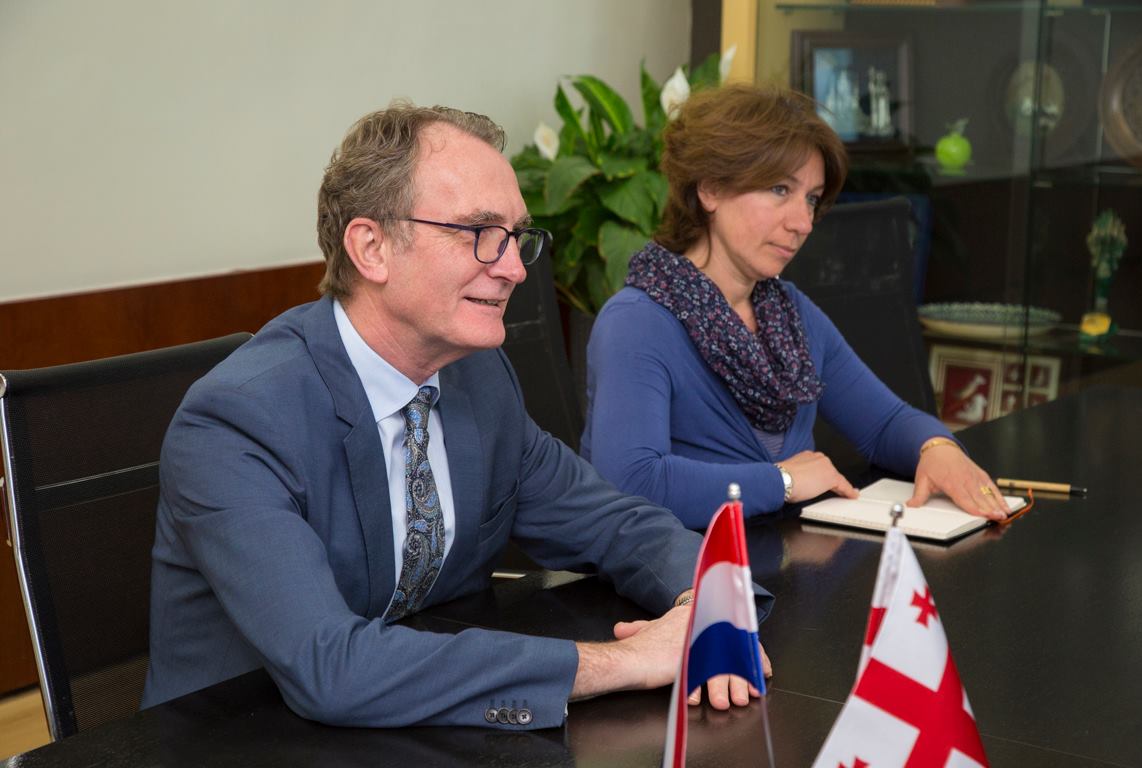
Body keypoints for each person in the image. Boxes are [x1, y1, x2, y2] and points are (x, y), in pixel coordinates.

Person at [141, 102, 769, 729]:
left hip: (423, 727)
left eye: (517, 236)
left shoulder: (477, 377)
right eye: (479, 233)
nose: (515, 269)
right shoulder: (236, 421)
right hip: (246, 738)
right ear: (371, 248)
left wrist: (711, 606)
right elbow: (331, 669)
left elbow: (616, 524)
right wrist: (628, 661)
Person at [580, 84, 1011, 529]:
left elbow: (885, 422)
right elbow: (632, 482)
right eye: (779, 189)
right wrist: (782, 481)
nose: (803, 222)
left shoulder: (788, 314)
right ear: (710, 189)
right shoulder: (637, 322)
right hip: (692, 569)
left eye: (811, 198)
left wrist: (937, 448)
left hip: (790, 554)